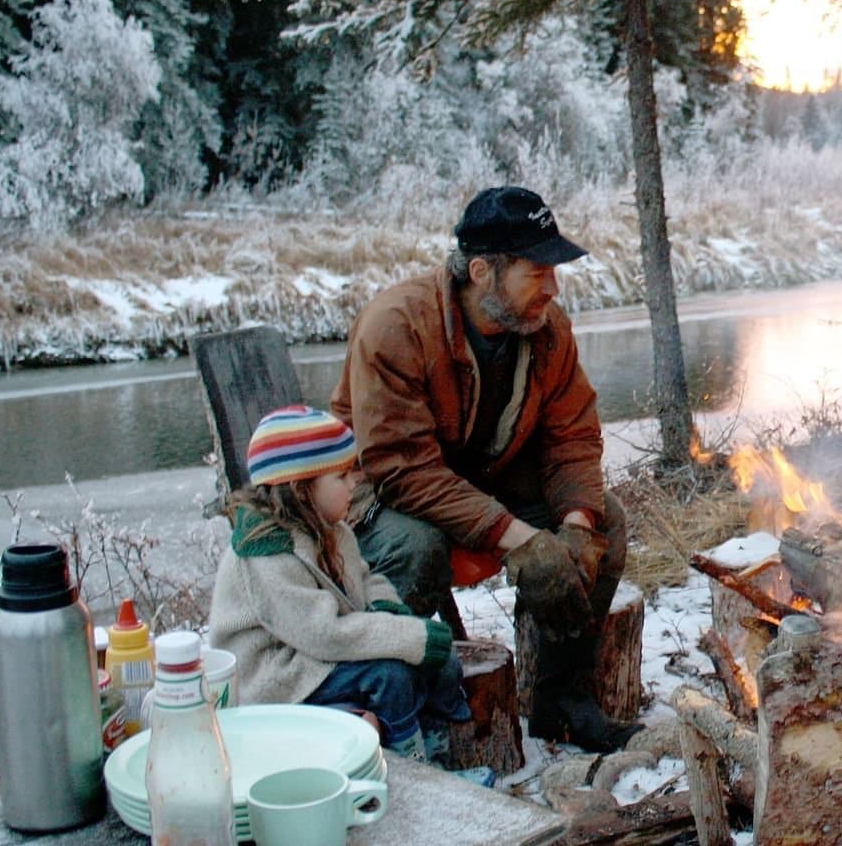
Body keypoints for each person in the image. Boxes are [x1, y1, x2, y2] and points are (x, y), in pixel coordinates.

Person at [332, 185, 637, 752]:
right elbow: (403, 469)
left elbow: (572, 436)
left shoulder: (547, 329)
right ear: (481, 271)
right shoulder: (395, 326)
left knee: (605, 523)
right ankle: (409, 717)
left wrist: (572, 528)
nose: (552, 286)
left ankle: (561, 699)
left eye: (554, 271)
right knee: (415, 549)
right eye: (537, 271)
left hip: (478, 481)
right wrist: (519, 539)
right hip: (381, 497)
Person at [208, 405, 475, 769]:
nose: (354, 483)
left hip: (310, 652)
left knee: (433, 663)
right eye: (342, 475)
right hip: (277, 676)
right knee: (390, 676)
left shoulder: (333, 530)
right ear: (301, 490)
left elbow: (366, 579)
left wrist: (388, 610)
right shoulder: (266, 555)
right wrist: (403, 638)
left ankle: (439, 748)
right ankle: (415, 769)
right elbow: (323, 633)